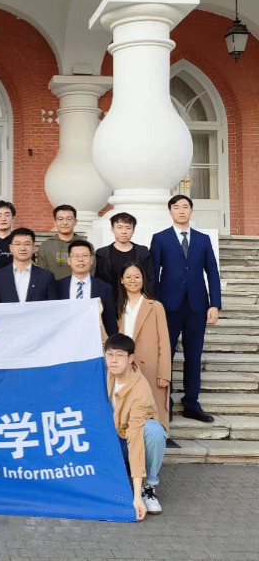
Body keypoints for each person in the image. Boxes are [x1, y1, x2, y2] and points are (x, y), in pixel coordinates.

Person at [150, 195, 221, 423]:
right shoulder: (160, 238)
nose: (181, 211)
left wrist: (215, 304)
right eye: (176, 207)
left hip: (197, 306)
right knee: (166, 355)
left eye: (185, 207)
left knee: (194, 355)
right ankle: (166, 403)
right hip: (168, 306)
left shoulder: (202, 239)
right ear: (170, 211)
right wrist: (155, 305)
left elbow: (212, 272)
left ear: (191, 210)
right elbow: (153, 275)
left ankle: (191, 403)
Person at [105, 333, 167, 519]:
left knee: (154, 431)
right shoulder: (105, 373)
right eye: (109, 354)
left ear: (130, 358)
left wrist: (136, 496)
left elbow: (135, 438)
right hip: (110, 439)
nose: (113, 360)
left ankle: (148, 487)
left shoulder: (140, 390)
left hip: (128, 439)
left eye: (120, 355)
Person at [117, 262, 171, 431]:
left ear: (143, 279)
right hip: (125, 367)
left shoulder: (155, 306)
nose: (132, 280)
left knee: (154, 409)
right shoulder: (119, 307)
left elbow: (164, 342)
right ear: (122, 280)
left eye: (137, 277)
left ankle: (157, 440)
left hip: (150, 367)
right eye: (128, 277)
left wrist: (164, 372)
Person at [58, 239, 118, 337]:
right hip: (65, 338)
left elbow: (110, 323)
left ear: (91, 260)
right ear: (68, 260)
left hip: (94, 339)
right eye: (76, 256)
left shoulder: (105, 288)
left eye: (85, 256)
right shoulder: (58, 286)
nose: (80, 259)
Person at [95, 212, 154, 299]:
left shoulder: (143, 253)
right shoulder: (102, 254)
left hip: (137, 300)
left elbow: (149, 280)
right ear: (112, 229)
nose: (124, 232)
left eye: (128, 228)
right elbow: (99, 281)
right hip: (110, 300)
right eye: (119, 227)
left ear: (133, 230)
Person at [0, 228, 57, 303]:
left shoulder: (46, 277)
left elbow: (53, 307)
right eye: (18, 244)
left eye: (27, 244)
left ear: (34, 248)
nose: (22, 248)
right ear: (11, 248)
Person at [37, 204, 95, 280]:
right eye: (60, 219)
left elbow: (91, 271)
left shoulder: (86, 246)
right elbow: (42, 273)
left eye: (69, 219)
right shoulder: (46, 246)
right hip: (53, 287)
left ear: (75, 221)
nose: (65, 223)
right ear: (55, 222)